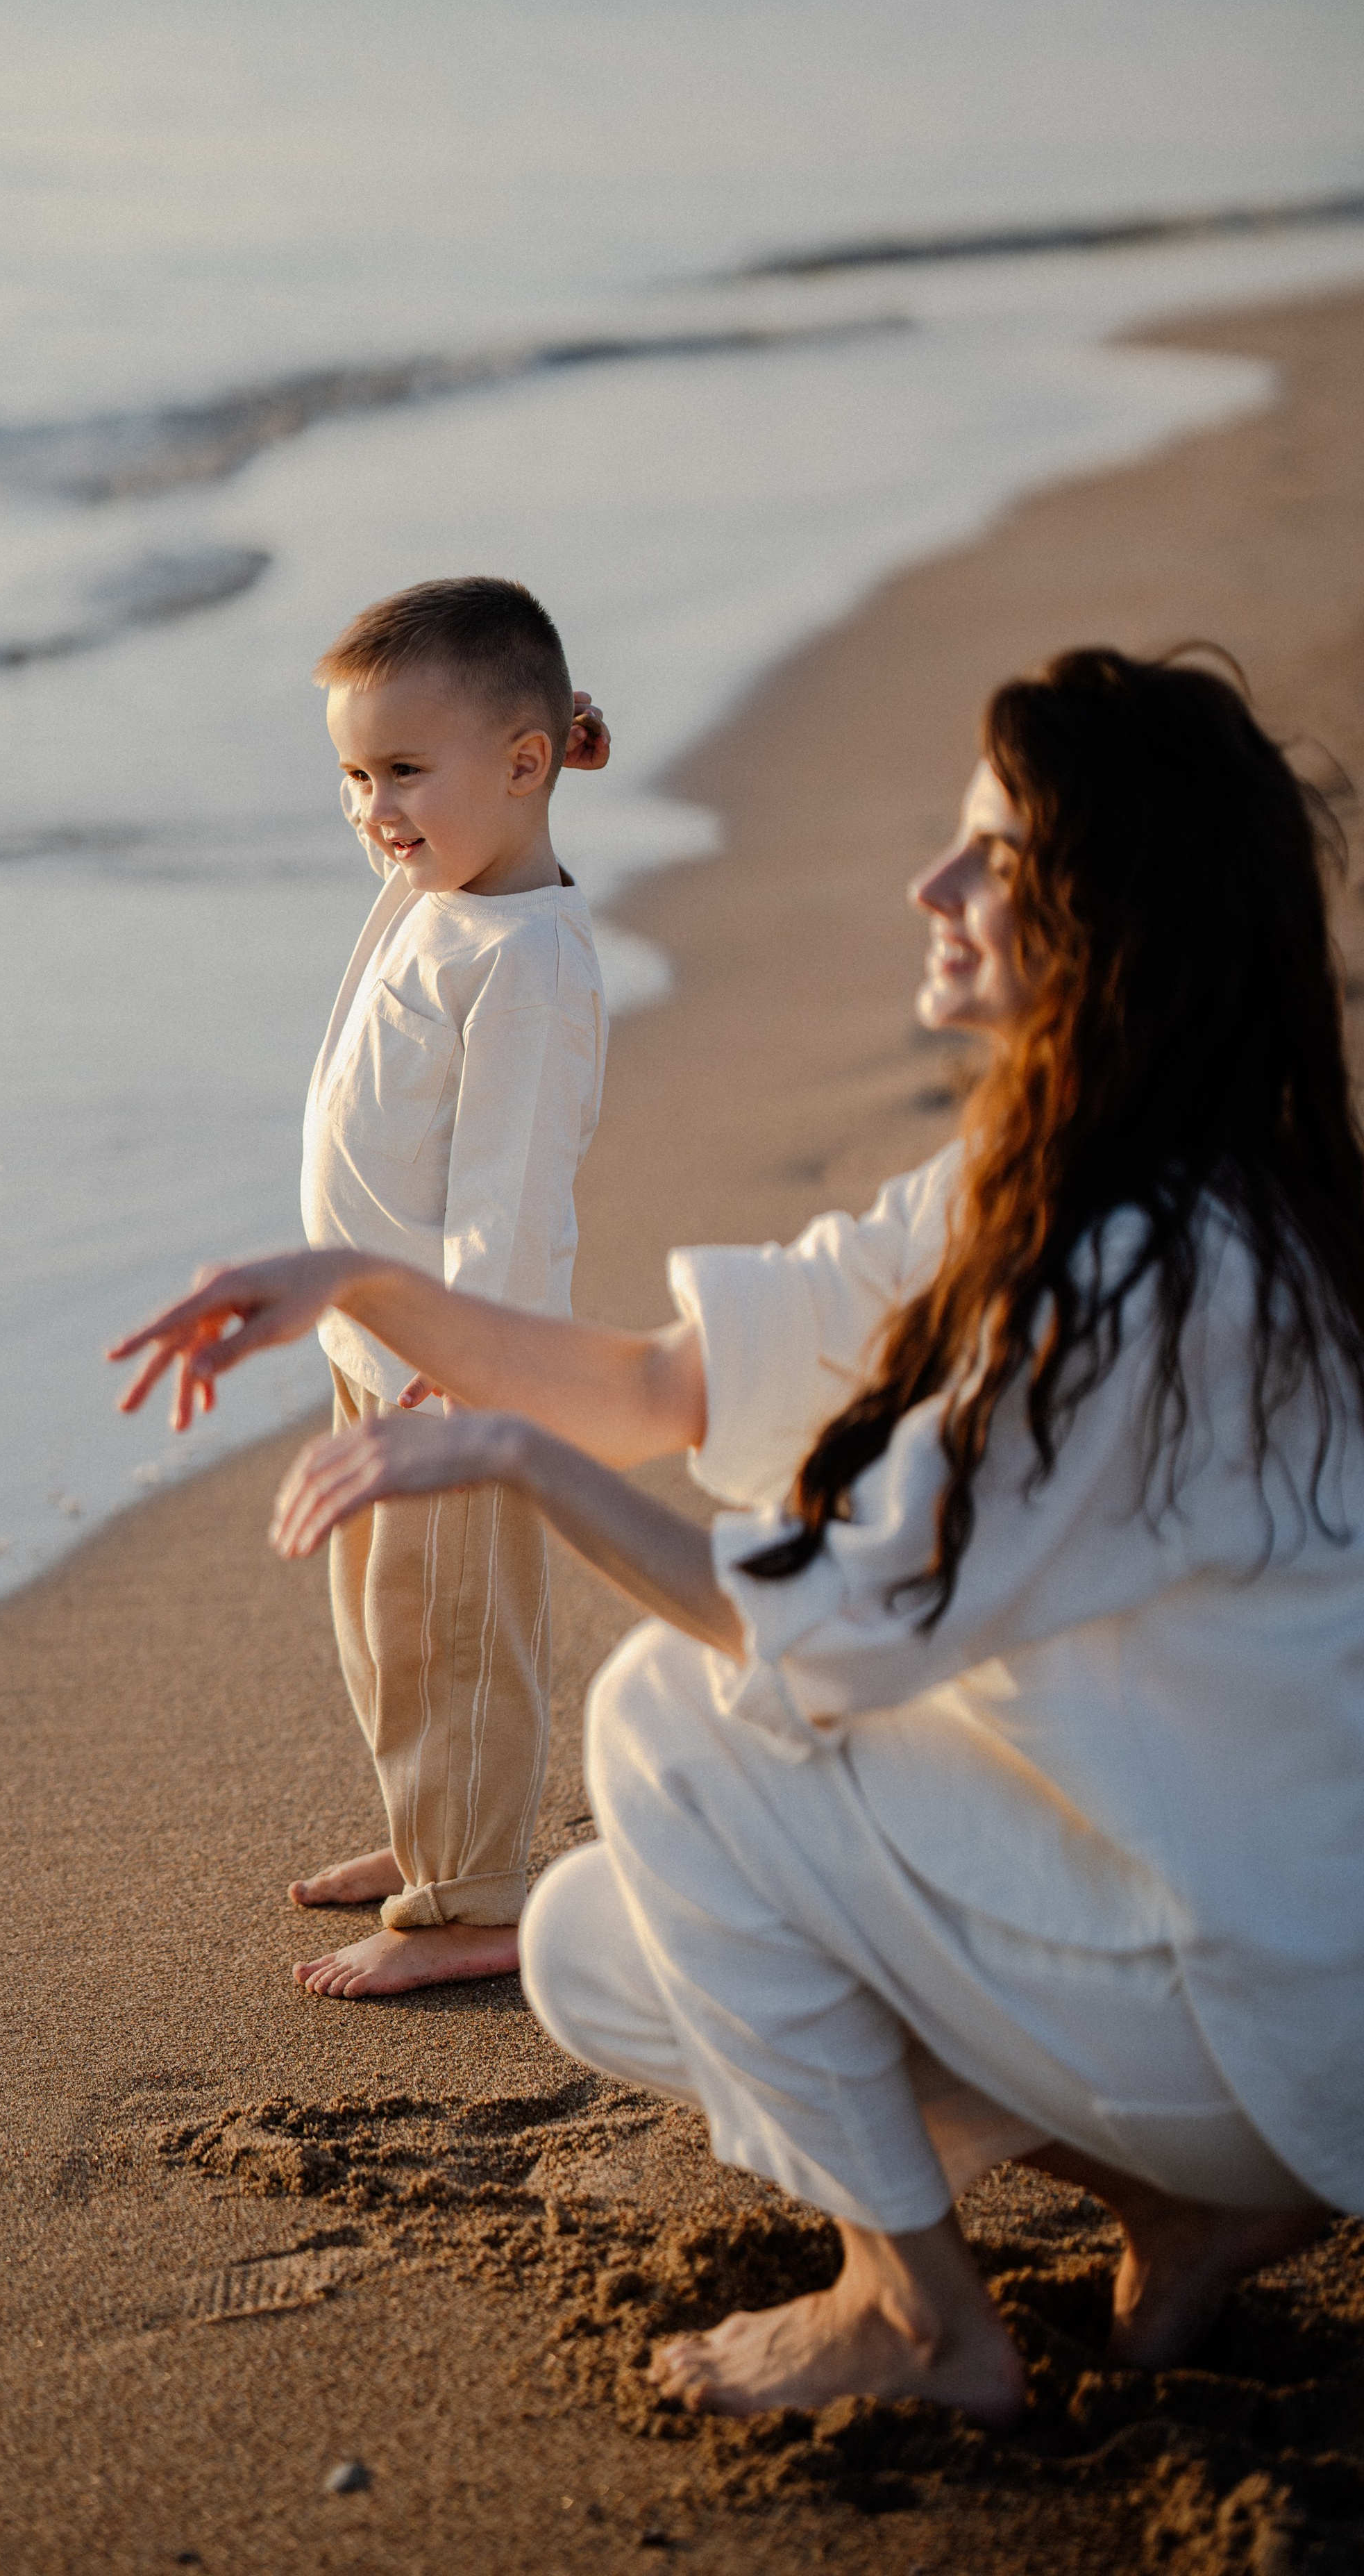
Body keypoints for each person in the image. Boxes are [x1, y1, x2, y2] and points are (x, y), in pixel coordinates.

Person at [110, 645, 1362, 2419]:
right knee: (599, 1951)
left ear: (1111, 919)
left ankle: (917, 2317)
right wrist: (358, 1283)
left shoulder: (1143, 1270)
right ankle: (1175, 2193)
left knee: (672, 1728)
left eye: (987, 860)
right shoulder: (1055, 1186)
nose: (927, 889)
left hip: (1264, 1981)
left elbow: (798, 1627)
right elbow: (658, 1383)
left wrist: (515, 1465)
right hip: (1193, 1921)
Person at [121, 576, 611, 1999]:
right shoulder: (434, 890)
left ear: (520, 766)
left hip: (455, 1364)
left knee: (456, 1626)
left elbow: (511, 1193)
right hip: (371, 1336)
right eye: (351, 773)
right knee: (380, 1615)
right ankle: (421, 1838)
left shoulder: (526, 959)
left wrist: (471, 1367)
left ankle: (470, 1896)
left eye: (403, 772)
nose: (372, 810)